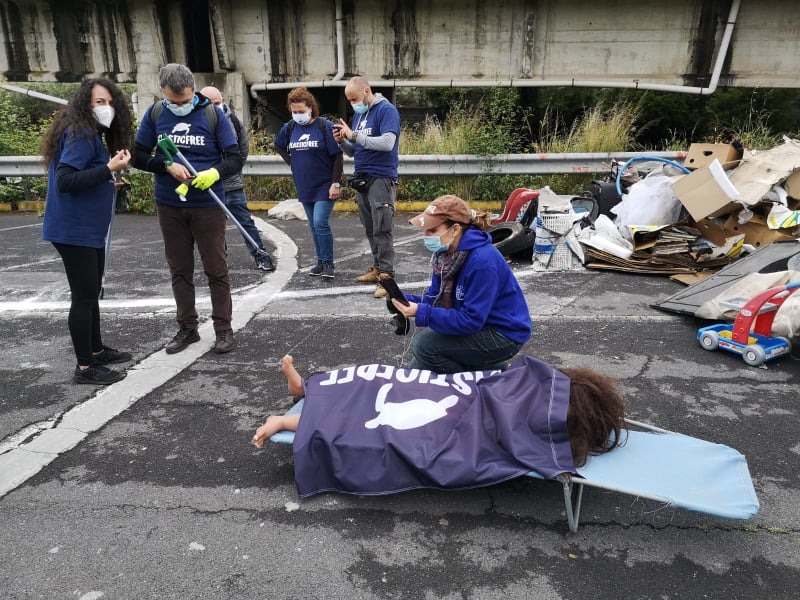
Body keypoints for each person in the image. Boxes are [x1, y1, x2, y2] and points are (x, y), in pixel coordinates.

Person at [252, 355, 626, 470]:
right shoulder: (548, 391)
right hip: (464, 394)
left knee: (373, 416)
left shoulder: (545, 427)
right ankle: (304, 389)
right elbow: (510, 379)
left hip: (457, 416)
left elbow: (502, 439)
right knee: (378, 379)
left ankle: (287, 416)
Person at [133, 63, 243, 355]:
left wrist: (215, 173)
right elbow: (138, 155)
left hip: (208, 204)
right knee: (179, 269)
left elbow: (234, 157)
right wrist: (165, 165)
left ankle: (223, 329)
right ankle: (187, 328)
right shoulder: (156, 113)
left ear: (193, 90)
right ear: (163, 94)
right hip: (169, 204)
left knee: (216, 268)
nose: (180, 106)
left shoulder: (213, 114)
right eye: (174, 101)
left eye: (185, 100)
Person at [40, 77, 134, 385]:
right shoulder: (80, 133)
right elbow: (66, 180)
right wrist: (107, 169)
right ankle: (84, 367)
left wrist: (107, 174)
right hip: (73, 230)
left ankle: (95, 350)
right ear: (85, 104)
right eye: (99, 102)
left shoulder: (89, 133)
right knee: (83, 296)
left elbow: (84, 176)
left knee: (91, 292)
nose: (106, 108)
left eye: (109, 103)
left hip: (86, 229)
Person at [394, 194, 532, 373]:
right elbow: (435, 299)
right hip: (477, 326)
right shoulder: (445, 256)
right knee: (418, 370)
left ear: (455, 229)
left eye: (432, 230)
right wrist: (402, 299)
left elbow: (471, 320)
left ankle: (483, 377)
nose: (426, 236)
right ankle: (488, 368)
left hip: (503, 334)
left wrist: (421, 312)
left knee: (424, 345)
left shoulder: (482, 262)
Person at [331, 76, 401, 297]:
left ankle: (387, 278)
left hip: (381, 177)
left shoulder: (386, 111)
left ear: (367, 91)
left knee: (383, 228)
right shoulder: (361, 114)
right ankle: (378, 268)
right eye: (349, 100)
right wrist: (343, 141)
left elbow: (388, 143)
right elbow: (355, 150)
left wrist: (355, 135)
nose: (353, 103)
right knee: (370, 228)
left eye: (354, 98)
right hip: (363, 177)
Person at [199, 86, 275, 273]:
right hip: (208, 185)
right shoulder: (198, 122)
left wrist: (230, 169)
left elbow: (242, 148)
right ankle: (218, 261)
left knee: (245, 222)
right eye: (209, 104)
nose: (214, 107)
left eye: (216, 103)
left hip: (231, 185)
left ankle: (261, 255)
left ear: (223, 100)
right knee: (212, 228)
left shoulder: (232, 120)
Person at [273, 87, 343, 279]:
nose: (298, 115)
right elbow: (278, 145)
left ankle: (329, 264)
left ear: (311, 108)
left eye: (301, 111)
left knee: (321, 222)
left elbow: (337, 156)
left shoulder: (324, 126)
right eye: (294, 112)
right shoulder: (290, 128)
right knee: (313, 225)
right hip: (305, 184)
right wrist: (292, 162)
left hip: (325, 184)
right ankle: (320, 262)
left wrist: (336, 183)